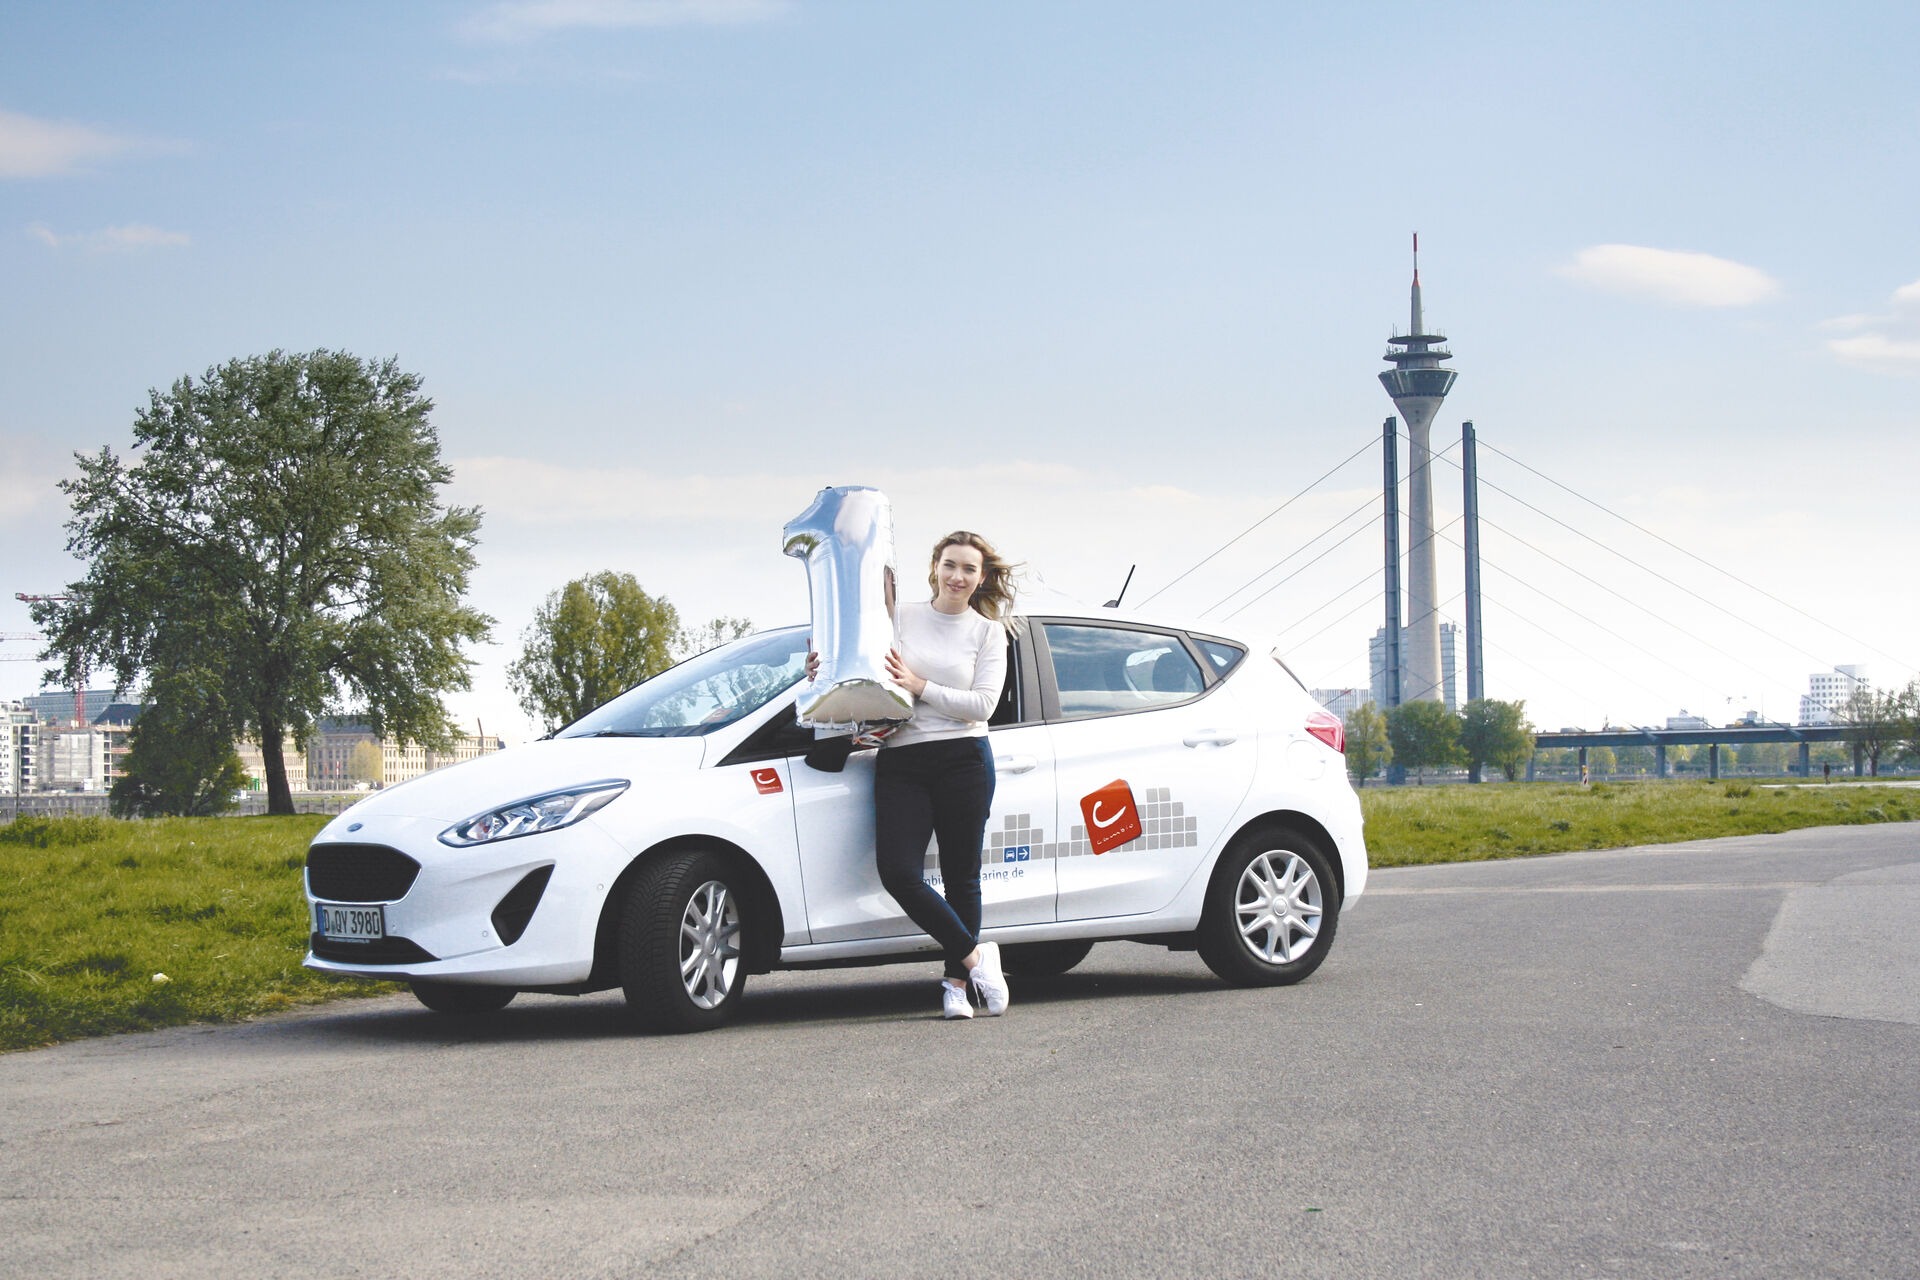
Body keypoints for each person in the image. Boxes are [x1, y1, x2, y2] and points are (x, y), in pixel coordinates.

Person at [808, 530, 1018, 1019]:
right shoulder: (899, 618)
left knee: (962, 877)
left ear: (981, 577)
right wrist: (817, 668)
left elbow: (982, 705)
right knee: (898, 872)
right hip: (902, 758)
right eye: (949, 565)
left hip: (964, 758)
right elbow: (860, 670)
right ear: (935, 568)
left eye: (968, 568)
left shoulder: (987, 633)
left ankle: (956, 988)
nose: (957, 576)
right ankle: (976, 956)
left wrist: (921, 685)